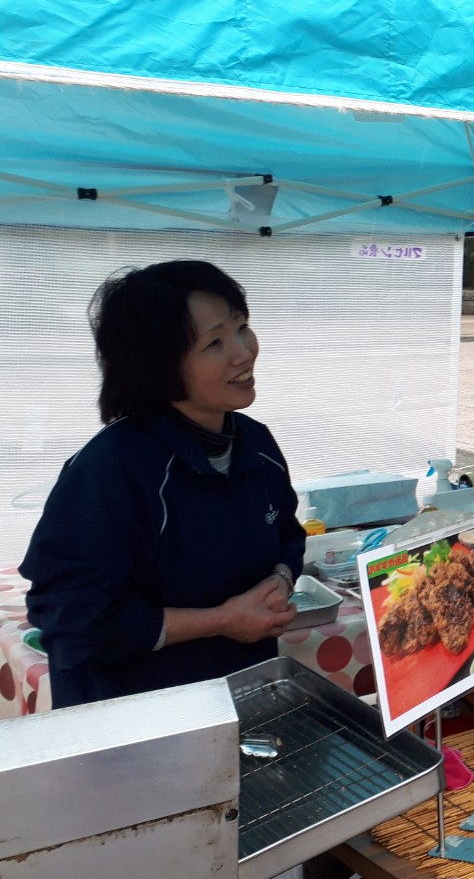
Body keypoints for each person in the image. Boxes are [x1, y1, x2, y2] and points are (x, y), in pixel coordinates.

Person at [22, 260, 303, 708]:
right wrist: (222, 620)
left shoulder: (257, 443)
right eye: (214, 342)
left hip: (241, 699)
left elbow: (288, 534)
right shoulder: (112, 470)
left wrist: (281, 580)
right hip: (137, 721)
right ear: (158, 366)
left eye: (242, 327)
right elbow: (75, 616)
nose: (242, 352)